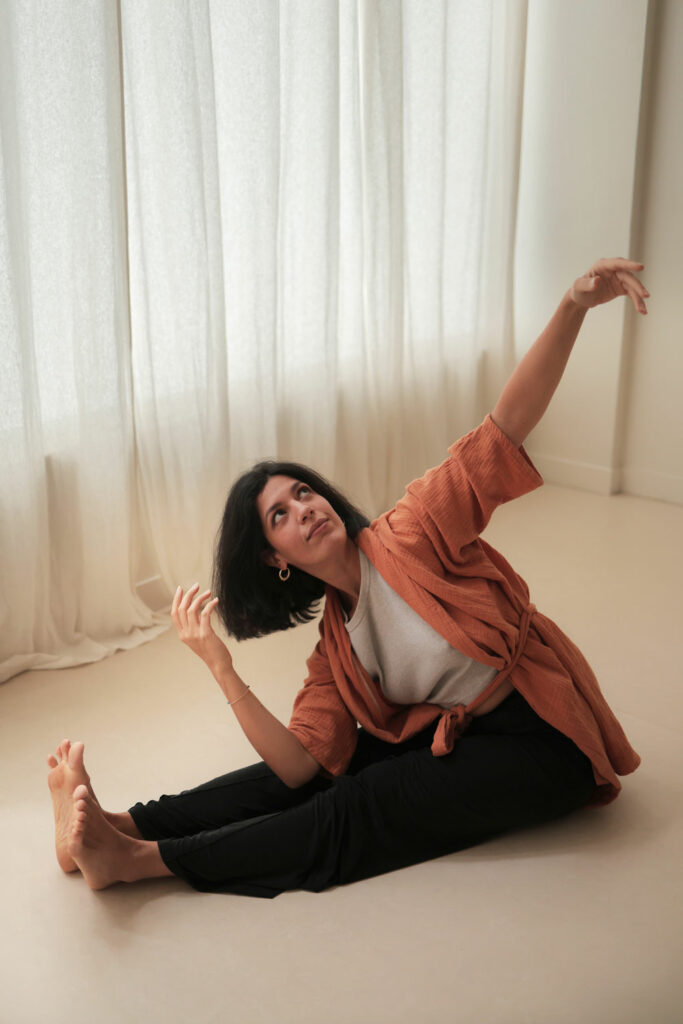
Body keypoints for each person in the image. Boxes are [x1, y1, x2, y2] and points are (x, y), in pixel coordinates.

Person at [48, 257, 645, 896]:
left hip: (540, 740)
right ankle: (119, 824)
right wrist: (220, 667)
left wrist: (573, 306)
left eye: (302, 492)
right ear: (274, 558)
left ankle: (139, 860)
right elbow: (298, 765)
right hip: (458, 738)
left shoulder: (413, 530)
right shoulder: (336, 647)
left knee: (358, 806)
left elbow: (505, 428)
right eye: (280, 515)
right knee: (308, 781)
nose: (303, 508)